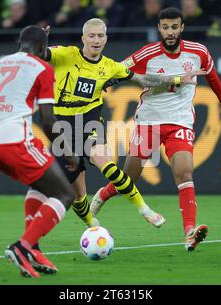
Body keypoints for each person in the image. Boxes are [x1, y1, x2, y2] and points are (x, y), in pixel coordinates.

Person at [90, 8, 221, 252]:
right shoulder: (148, 53)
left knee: (185, 172)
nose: (170, 32)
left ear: (182, 28)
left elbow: (213, 78)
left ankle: (189, 232)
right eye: (165, 27)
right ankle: (103, 195)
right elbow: (118, 69)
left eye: (174, 27)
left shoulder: (198, 52)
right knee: (129, 178)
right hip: (149, 121)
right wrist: (107, 81)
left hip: (180, 121)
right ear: (159, 28)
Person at [41, 18, 204, 229]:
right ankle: (93, 226)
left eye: (100, 36)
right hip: (61, 129)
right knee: (78, 195)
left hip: (89, 125)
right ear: (83, 38)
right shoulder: (65, 54)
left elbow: (144, 80)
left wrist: (175, 80)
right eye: (91, 36)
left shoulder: (110, 67)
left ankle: (145, 210)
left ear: (106, 39)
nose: (96, 40)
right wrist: (40, 43)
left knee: (108, 165)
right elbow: (38, 55)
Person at [0, 25, 79, 278]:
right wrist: (67, 149)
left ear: (20, 43)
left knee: (41, 185)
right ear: (43, 48)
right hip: (15, 138)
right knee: (65, 194)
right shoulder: (43, 68)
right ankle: (23, 246)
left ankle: (33, 249)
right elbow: (46, 119)